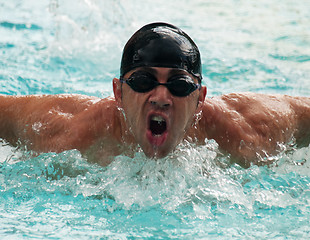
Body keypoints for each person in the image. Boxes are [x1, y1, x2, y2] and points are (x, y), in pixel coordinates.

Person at [0, 22, 309, 167]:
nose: (161, 96)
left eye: (179, 85)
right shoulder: (70, 132)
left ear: (199, 100)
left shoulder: (245, 134)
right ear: (118, 93)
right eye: (144, 80)